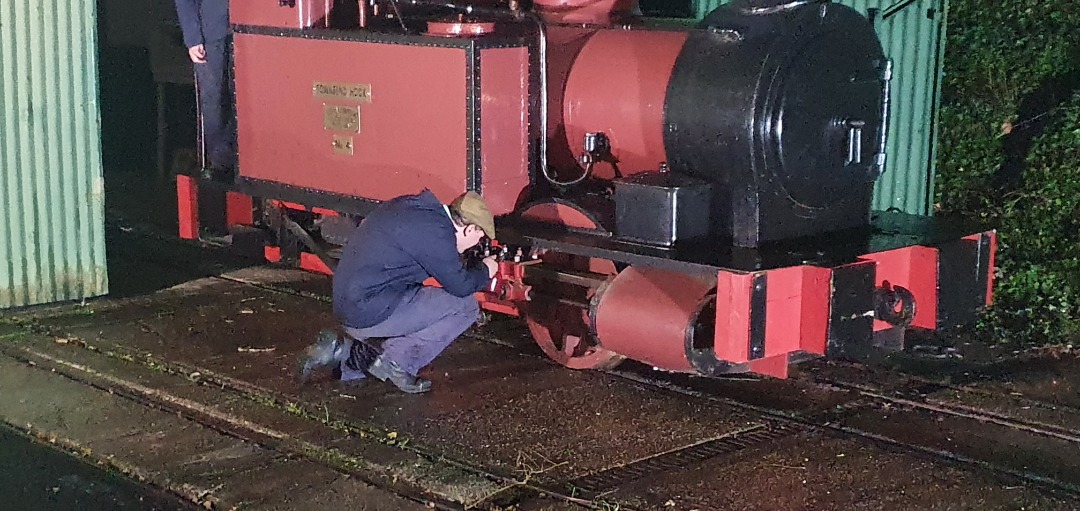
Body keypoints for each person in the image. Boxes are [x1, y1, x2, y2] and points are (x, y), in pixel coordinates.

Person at [298, 189, 500, 394]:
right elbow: (461, 286)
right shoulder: (437, 233)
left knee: (423, 300)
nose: (476, 244)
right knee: (465, 306)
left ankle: (342, 354)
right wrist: (486, 270)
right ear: (469, 229)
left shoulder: (414, 208)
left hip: (351, 302)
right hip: (367, 311)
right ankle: (398, 364)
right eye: (479, 237)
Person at [173, 0, 237, 174]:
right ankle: (222, 163)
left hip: (250, 28)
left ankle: (241, 159)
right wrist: (193, 38)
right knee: (214, 98)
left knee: (246, 97)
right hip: (212, 32)